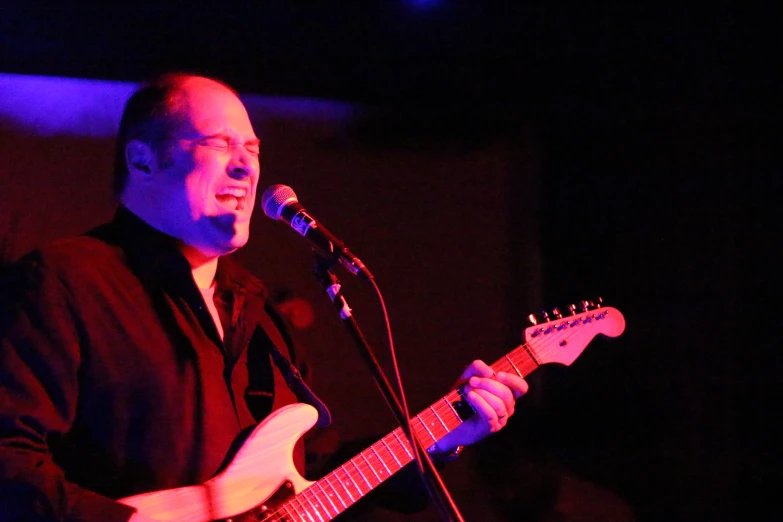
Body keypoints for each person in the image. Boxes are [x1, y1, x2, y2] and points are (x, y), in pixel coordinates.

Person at [0, 73, 528, 521]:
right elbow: (10, 461)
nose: (247, 166)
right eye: (218, 143)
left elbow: (320, 474)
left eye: (252, 149)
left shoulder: (260, 318)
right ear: (142, 161)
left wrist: (445, 435)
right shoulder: (64, 281)